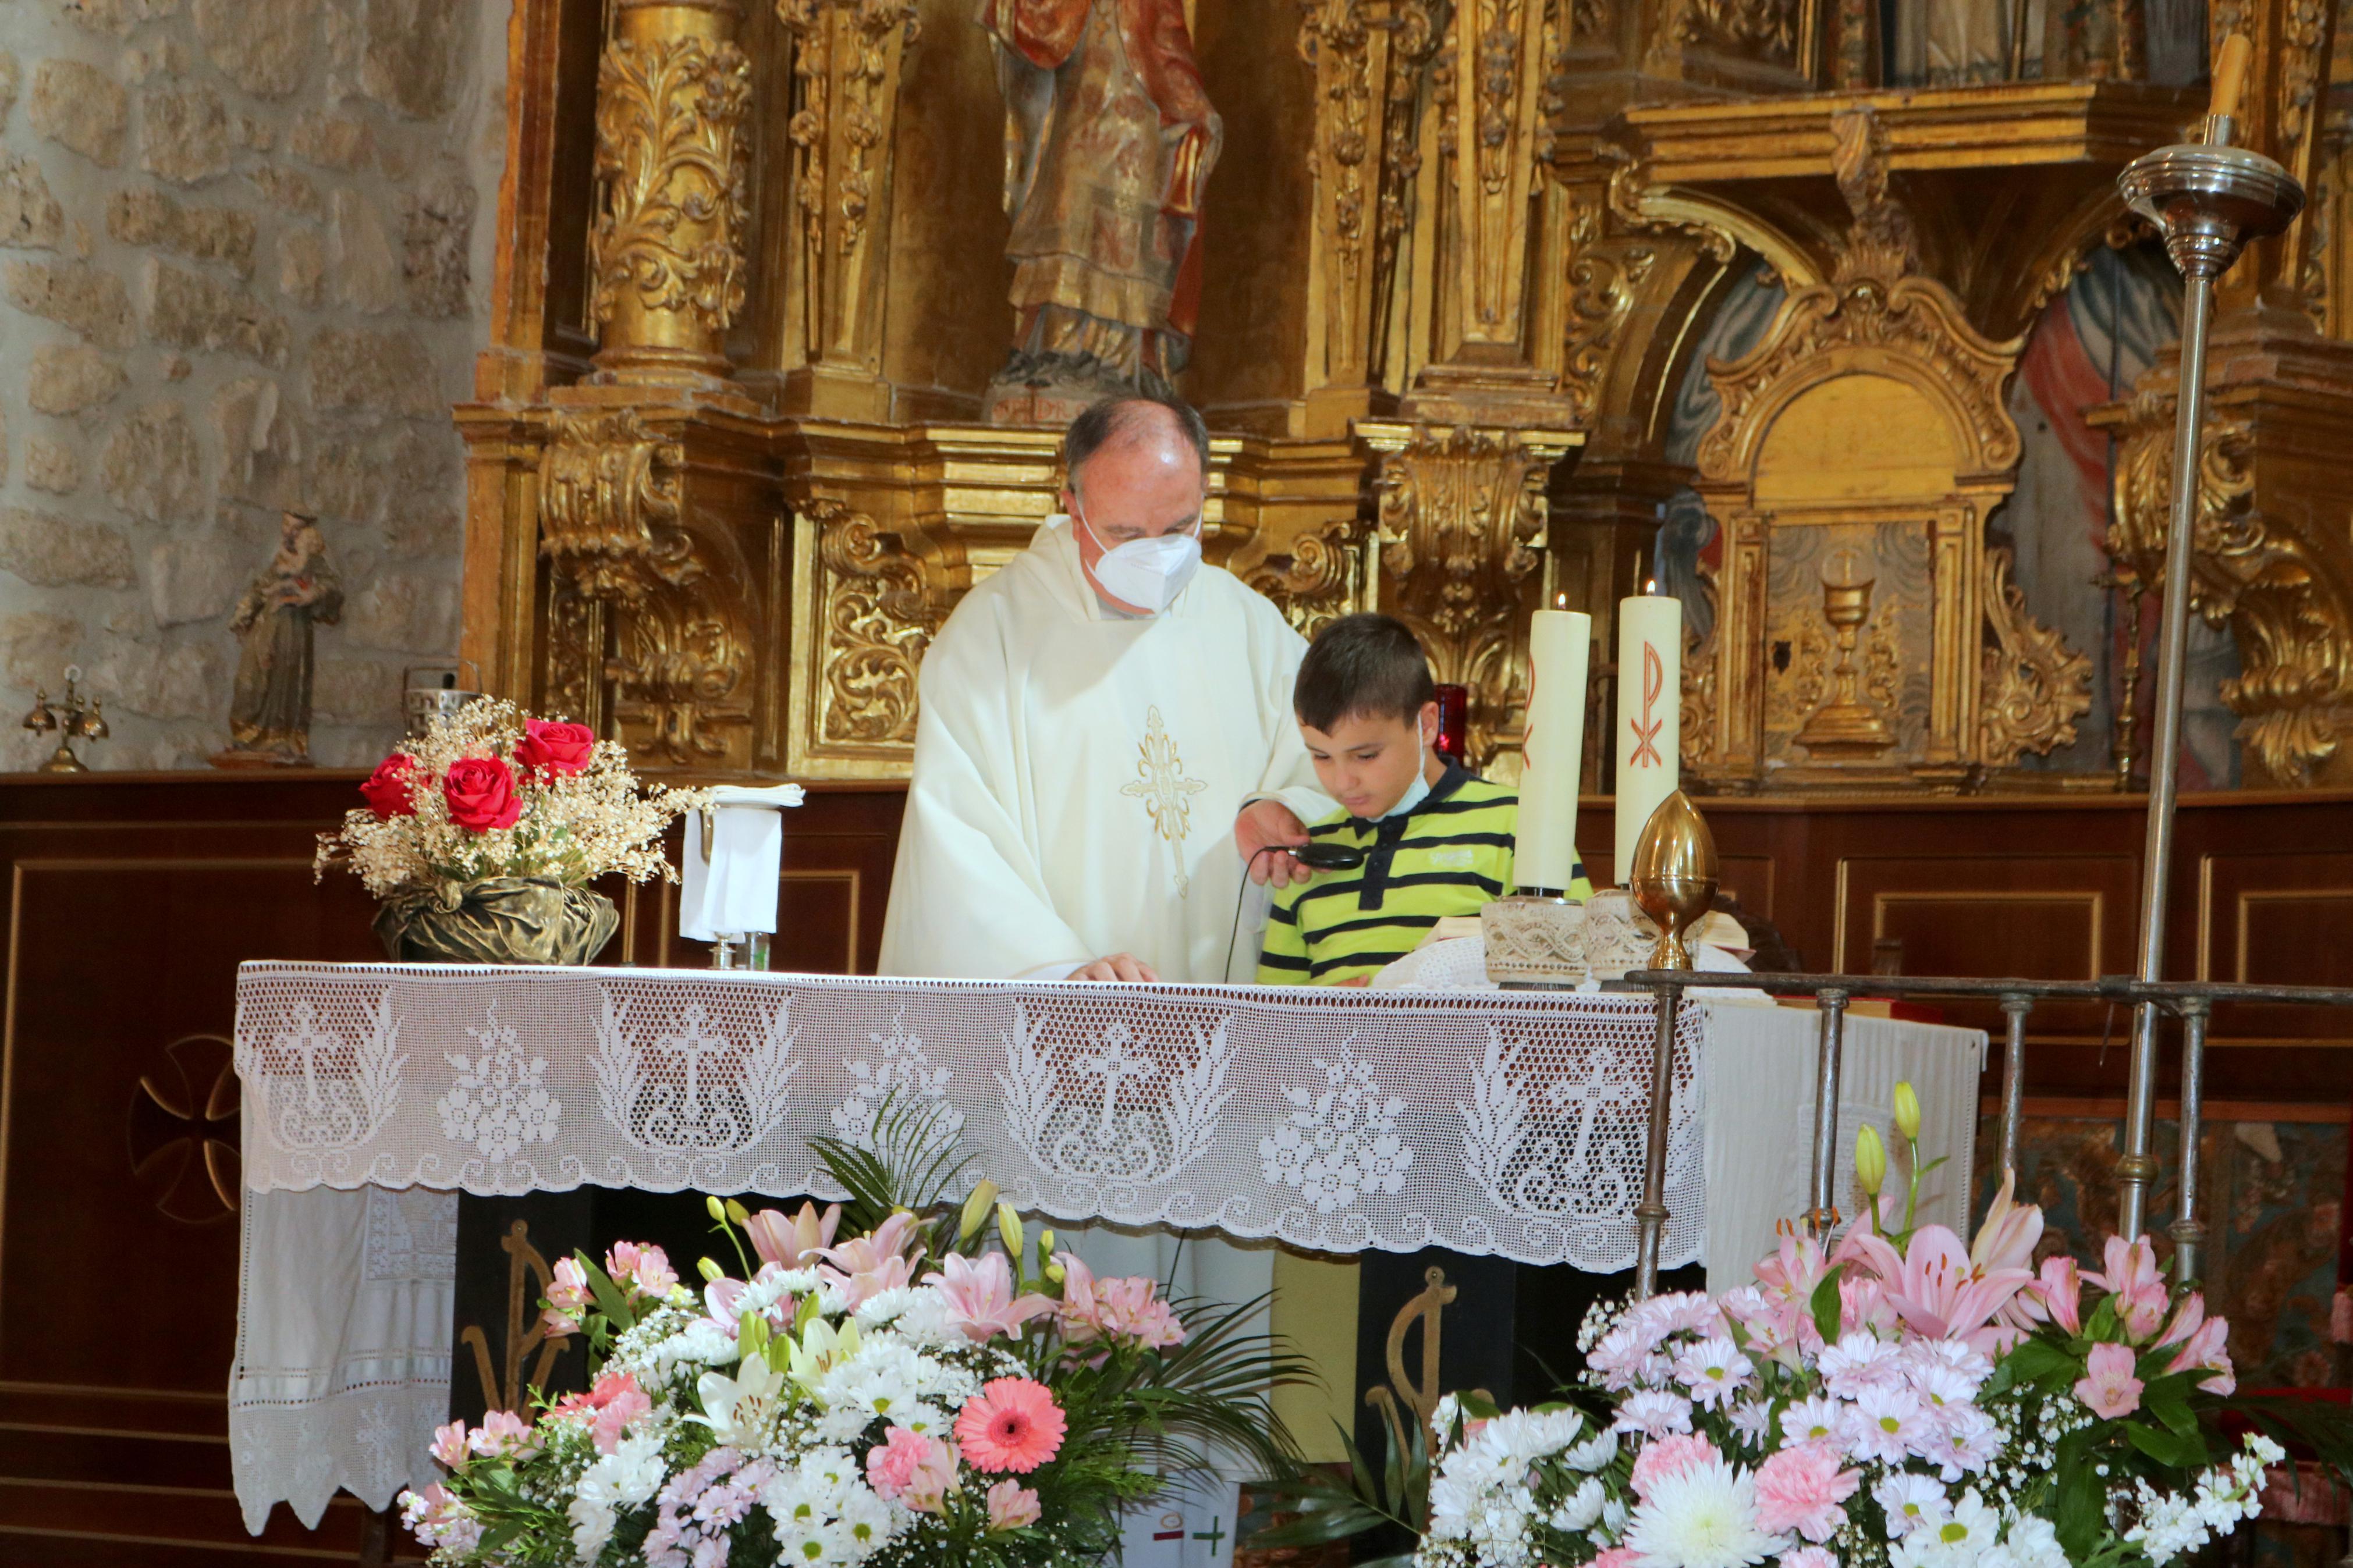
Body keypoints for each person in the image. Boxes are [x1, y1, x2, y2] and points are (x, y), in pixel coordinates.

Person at [879, 393, 1330, 984]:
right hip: (1070, 1004)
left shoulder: (1247, 622)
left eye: (1177, 528)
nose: (1155, 556)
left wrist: (1285, 807)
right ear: (1072, 507)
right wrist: (1058, 967)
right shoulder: (993, 635)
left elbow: (1327, 756)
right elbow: (959, 838)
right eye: (1123, 533)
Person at [1258, 613, 1592, 986]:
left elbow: (1579, 982)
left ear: (1427, 725)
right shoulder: (1309, 853)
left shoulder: (1519, 825)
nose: (1342, 781)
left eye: (1366, 756)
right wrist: (1320, 1017)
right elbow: (1268, 1019)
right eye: (1321, 756)